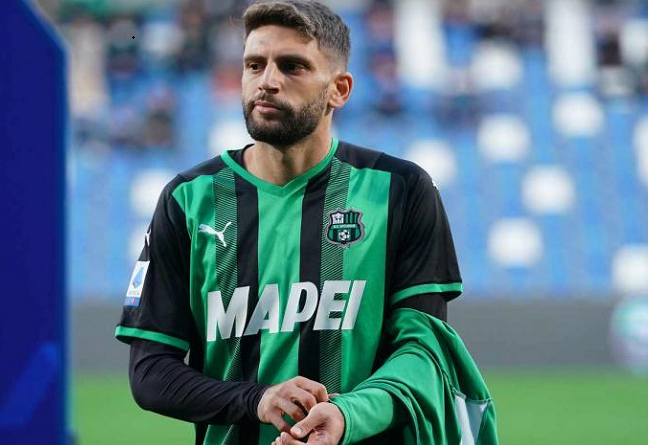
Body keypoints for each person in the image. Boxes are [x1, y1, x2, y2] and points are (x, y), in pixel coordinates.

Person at [115, 2, 498, 445]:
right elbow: (150, 371)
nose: (267, 81)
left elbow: (424, 354)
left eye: (292, 66)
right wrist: (257, 400)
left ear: (339, 89)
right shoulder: (188, 200)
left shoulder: (401, 190)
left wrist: (347, 415)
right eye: (254, 65)